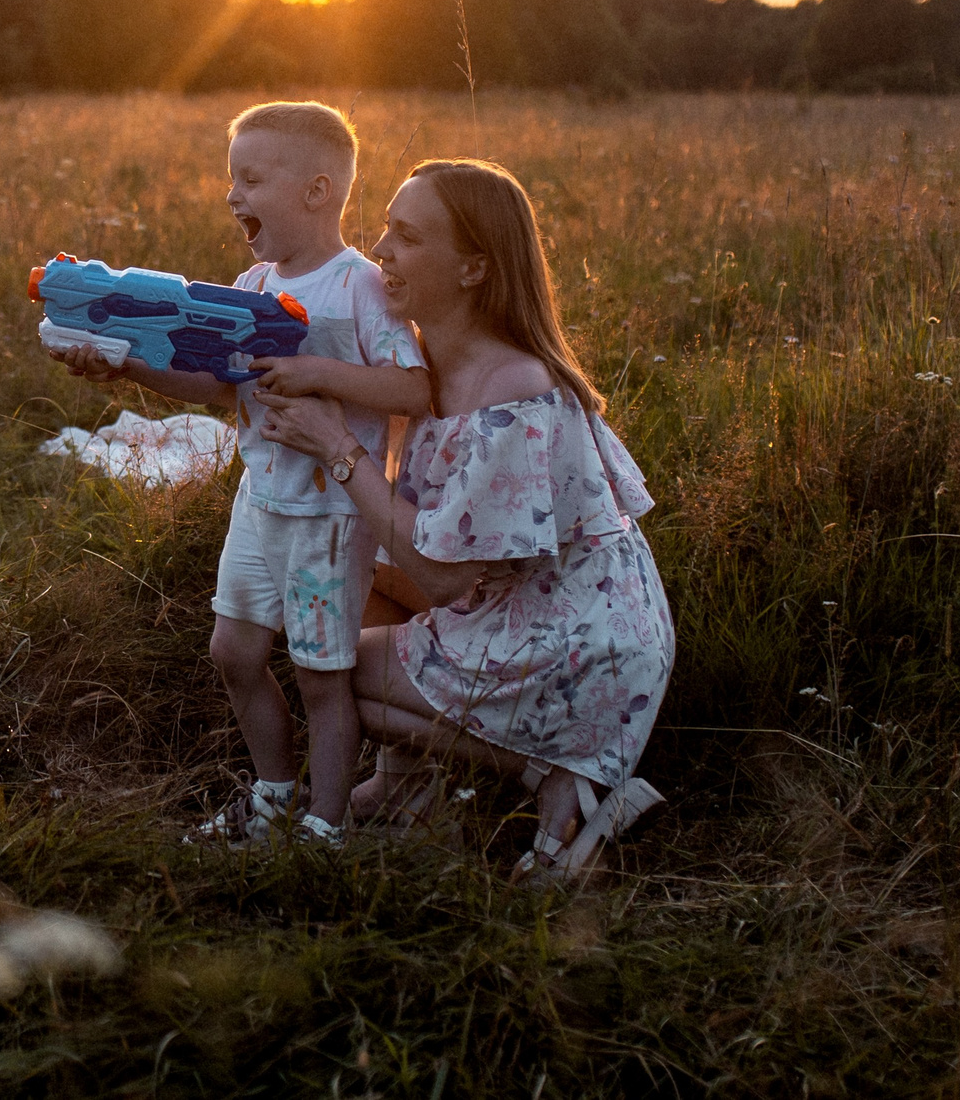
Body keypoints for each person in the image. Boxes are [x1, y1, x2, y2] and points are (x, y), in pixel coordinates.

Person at [253, 157, 674, 882]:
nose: (381, 248)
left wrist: (336, 446)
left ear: (474, 269)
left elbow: (442, 575)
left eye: (408, 236)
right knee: (347, 597)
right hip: (529, 607)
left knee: (330, 664)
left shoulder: (511, 387)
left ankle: (564, 777)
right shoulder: (431, 365)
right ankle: (407, 788)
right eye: (385, 228)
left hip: (575, 641)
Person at [56, 102, 429, 846]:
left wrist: (317, 370)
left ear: (317, 191)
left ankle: (326, 828)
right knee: (232, 652)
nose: (233, 196)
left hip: (330, 517)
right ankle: (275, 797)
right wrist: (129, 369)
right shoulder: (251, 284)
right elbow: (221, 388)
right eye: (232, 179)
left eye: (251, 179)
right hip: (259, 502)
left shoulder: (361, 287)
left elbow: (414, 387)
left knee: (322, 676)